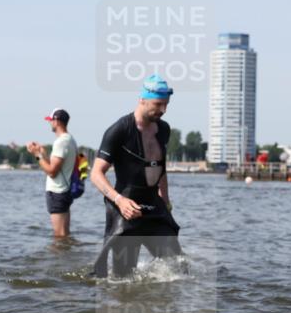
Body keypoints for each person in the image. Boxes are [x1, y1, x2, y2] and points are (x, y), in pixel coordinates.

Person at [90, 75, 182, 277]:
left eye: (166, 105)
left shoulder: (164, 129)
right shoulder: (119, 130)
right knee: (123, 277)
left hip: (153, 205)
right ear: (142, 99)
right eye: (158, 104)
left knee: (177, 266)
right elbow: (96, 174)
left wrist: (165, 200)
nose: (163, 110)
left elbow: (161, 167)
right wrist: (119, 201)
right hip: (126, 206)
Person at [26, 108, 78, 238]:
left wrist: (37, 155)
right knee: (64, 234)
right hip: (65, 191)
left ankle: (59, 258)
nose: (49, 123)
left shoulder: (61, 142)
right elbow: (56, 167)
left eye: (50, 120)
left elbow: (52, 172)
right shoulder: (70, 139)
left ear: (57, 121)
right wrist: (43, 154)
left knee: (59, 235)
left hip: (57, 193)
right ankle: (66, 257)